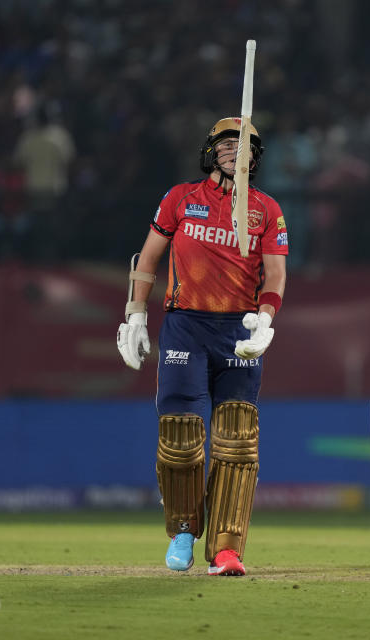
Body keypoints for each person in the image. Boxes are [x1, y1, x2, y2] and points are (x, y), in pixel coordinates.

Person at [116, 117, 288, 576]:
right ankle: (185, 531)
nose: (236, 151)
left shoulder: (266, 209)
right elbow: (148, 258)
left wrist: (265, 322)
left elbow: (275, 275)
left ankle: (227, 549)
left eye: (246, 145)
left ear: (257, 157)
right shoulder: (180, 198)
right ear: (210, 152)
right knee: (179, 436)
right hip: (185, 326)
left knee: (237, 441)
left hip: (239, 329)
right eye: (227, 143)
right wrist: (135, 315)